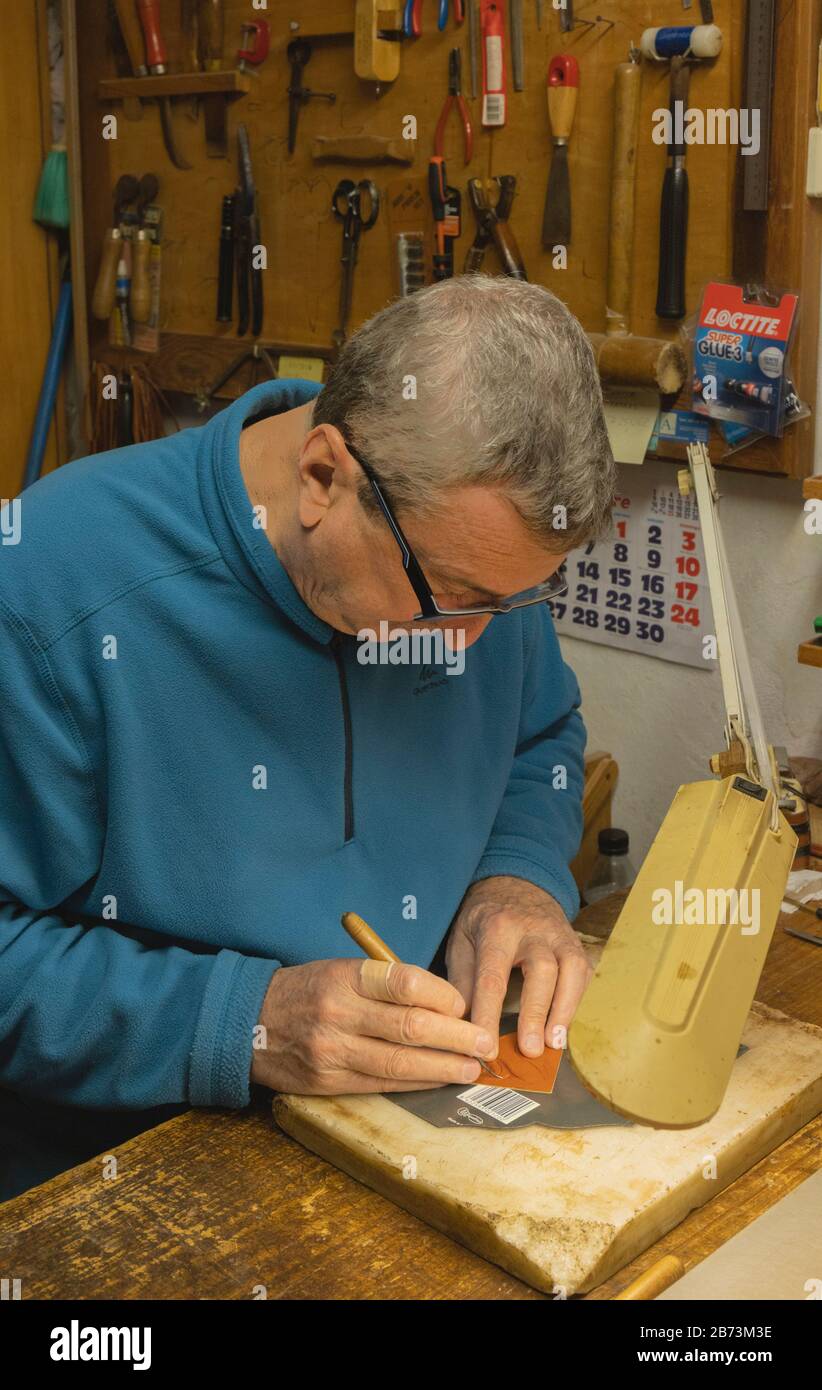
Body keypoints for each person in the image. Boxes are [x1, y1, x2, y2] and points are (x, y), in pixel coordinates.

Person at [0, 275, 614, 1200]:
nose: (478, 639)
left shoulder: (473, 570)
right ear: (324, 476)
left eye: (515, 601)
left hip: (416, 1136)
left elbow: (542, 733)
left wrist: (519, 878)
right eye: (454, 598)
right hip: (136, 1185)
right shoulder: (47, 588)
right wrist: (244, 1020)